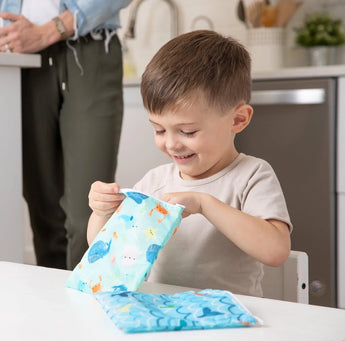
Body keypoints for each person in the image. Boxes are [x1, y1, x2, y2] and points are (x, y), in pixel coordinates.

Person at [87, 30, 292, 297]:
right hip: (162, 313)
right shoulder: (156, 181)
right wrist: (102, 212)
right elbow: (105, 248)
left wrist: (205, 204)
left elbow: (276, 251)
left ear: (238, 120)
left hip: (227, 325)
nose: (171, 144)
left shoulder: (251, 176)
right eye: (159, 130)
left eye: (188, 132)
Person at [0, 0, 132, 270]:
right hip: (17, 56)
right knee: (44, 214)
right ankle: (57, 307)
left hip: (90, 46)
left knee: (89, 213)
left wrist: (52, 29)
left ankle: (88, 301)